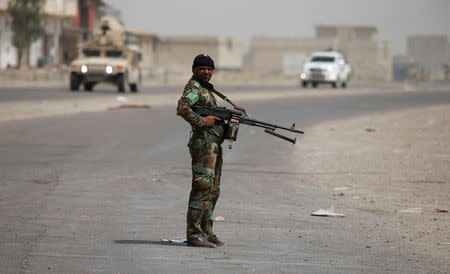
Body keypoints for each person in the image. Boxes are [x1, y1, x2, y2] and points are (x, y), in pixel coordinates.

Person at [176, 54, 245, 248]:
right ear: (194, 70)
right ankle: (193, 234)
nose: (206, 72)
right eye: (202, 69)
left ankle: (206, 231)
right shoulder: (194, 89)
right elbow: (182, 107)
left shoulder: (206, 90)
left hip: (213, 145)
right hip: (203, 145)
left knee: (213, 190)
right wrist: (202, 121)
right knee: (202, 188)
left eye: (209, 69)